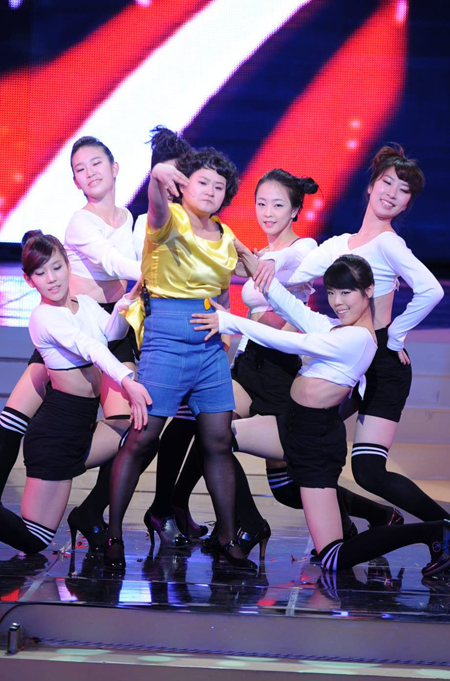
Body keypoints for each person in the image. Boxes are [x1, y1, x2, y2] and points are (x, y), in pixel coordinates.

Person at [172, 169, 399, 559]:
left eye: (277, 205)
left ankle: (372, 516)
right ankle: (224, 518)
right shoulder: (261, 255)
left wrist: (246, 263)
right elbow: (245, 271)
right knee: (210, 425)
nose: (267, 213)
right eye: (261, 204)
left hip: (282, 368)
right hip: (250, 361)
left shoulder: (302, 249)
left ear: (295, 210)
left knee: (288, 488)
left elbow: (280, 268)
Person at [191, 255, 450, 577]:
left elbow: (293, 341)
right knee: (214, 438)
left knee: (332, 557)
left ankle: (434, 531)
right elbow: (294, 309)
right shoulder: (338, 328)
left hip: (315, 441)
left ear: (369, 291)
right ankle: (250, 524)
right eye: (331, 293)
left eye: (346, 293)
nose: (337, 302)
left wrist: (230, 321)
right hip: (291, 424)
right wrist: (255, 265)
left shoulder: (358, 339)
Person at [238, 144, 446, 525]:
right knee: (305, 445)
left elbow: (431, 290)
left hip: (381, 364)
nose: (392, 193)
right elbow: (296, 273)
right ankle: (349, 529)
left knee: (368, 470)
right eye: (386, 183)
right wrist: (267, 259)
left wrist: (395, 337)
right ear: (370, 186)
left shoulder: (388, 242)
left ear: (406, 204)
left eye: (403, 190)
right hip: (347, 362)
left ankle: (441, 530)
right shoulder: (339, 245)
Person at [104, 146, 257, 572]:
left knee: (218, 441)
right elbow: (156, 201)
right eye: (202, 182)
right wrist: (157, 174)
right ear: (184, 185)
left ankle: (227, 540)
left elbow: (228, 288)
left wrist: (224, 332)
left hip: (209, 344)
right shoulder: (167, 219)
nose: (210, 191)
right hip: (167, 338)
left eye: (219, 186)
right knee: (142, 438)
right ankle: (114, 534)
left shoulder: (225, 235)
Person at [0, 136, 142, 548]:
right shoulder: (80, 223)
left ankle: (93, 510)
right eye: (80, 168)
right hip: (66, 328)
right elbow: (114, 263)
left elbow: (108, 329)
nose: (90, 172)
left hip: (101, 321)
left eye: (96, 163)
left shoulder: (131, 221)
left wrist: (128, 302)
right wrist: (150, 277)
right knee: (16, 415)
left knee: (135, 429)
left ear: (115, 167)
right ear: (75, 181)